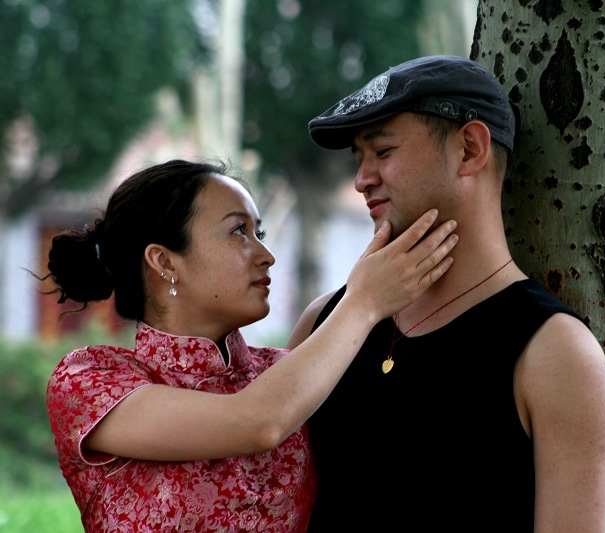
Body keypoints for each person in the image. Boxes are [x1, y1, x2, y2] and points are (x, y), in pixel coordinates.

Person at [287, 55, 605, 532]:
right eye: (359, 159)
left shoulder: (555, 353)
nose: (362, 180)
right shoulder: (327, 320)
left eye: (382, 152)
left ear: (469, 149)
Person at [43, 158, 459, 532]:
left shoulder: (284, 373)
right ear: (165, 262)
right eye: (239, 231)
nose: (266, 255)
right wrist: (364, 300)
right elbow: (256, 423)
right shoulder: (89, 381)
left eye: (258, 232)